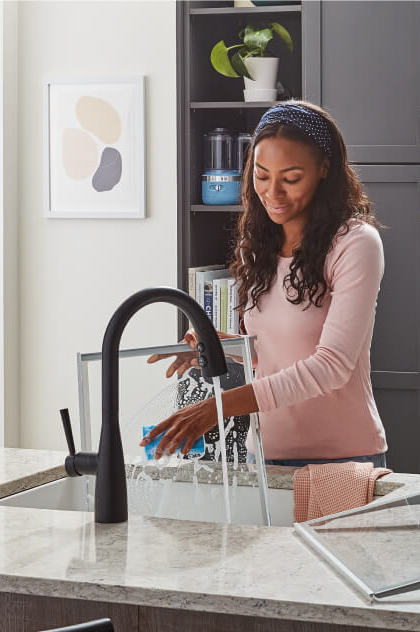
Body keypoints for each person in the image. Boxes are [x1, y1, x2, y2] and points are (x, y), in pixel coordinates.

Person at [143, 101, 387, 468]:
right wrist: (220, 348)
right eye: (261, 175)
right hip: (266, 455)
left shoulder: (355, 243)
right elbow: (274, 352)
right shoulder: (257, 246)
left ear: (324, 169)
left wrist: (217, 408)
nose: (273, 192)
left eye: (291, 178)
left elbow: (332, 366)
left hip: (343, 458)